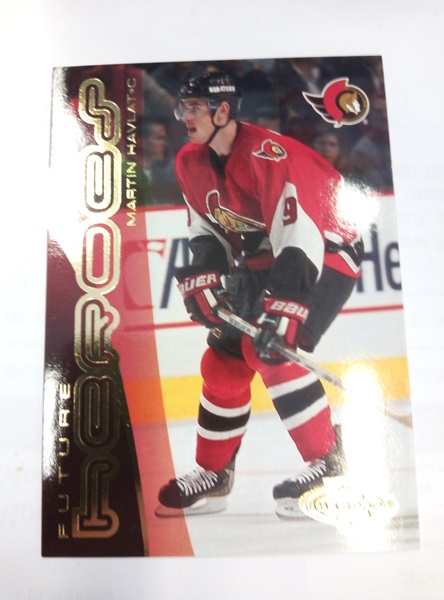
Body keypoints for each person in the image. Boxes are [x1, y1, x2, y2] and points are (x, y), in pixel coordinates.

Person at [154, 72, 363, 519]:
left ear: (223, 111)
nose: (185, 116)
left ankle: (329, 464)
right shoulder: (190, 161)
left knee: (272, 350)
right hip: (264, 256)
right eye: (183, 107)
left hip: (326, 249)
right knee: (223, 363)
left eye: (194, 107)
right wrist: (205, 275)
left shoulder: (268, 157)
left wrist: (283, 312)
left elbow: (300, 238)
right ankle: (214, 474)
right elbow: (206, 228)